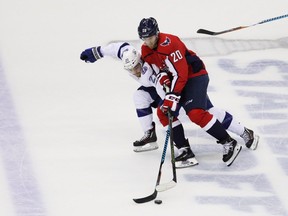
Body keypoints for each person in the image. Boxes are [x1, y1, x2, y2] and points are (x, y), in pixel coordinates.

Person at [137, 17, 260, 166]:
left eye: (150, 37)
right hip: (179, 81)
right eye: (144, 38)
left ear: (157, 33)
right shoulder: (145, 50)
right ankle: (185, 150)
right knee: (167, 112)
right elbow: (157, 69)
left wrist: (172, 96)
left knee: (196, 113)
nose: (148, 41)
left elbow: (181, 73)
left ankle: (228, 143)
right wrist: (161, 76)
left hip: (194, 76)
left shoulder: (170, 43)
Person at [79, 42, 199, 168]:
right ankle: (149, 134)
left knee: (165, 113)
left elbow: (163, 86)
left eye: (136, 67)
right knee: (139, 96)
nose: (134, 72)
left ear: (140, 62)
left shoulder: (151, 71)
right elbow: (117, 48)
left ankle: (184, 149)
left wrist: (167, 104)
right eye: (130, 69)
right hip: (155, 87)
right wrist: (97, 52)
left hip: (169, 88)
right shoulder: (130, 55)